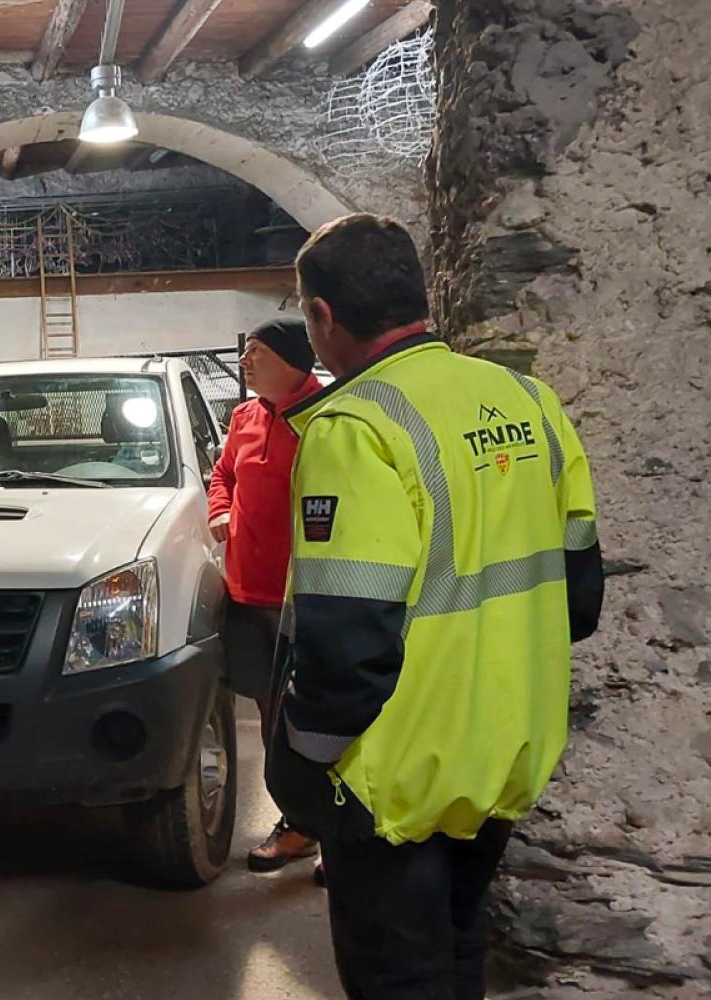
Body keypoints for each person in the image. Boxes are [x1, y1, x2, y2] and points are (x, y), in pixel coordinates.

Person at [266, 214, 604, 1000]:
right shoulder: (528, 401)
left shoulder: (356, 428)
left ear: (321, 317)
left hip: (396, 783)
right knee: (458, 954)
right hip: (505, 756)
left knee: (401, 978)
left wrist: (301, 769)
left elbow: (348, 644)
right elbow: (578, 600)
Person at [205, 319, 323, 875]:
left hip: (308, 598)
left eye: (255, 353)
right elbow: (222, 474)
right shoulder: (244, 417)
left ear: (291, 359)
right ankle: (299, 824)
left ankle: (337, 828)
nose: (245, 362)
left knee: (323, 716)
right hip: (248, 592)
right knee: (271, 714)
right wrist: (221, 510)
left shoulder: (326, 417)